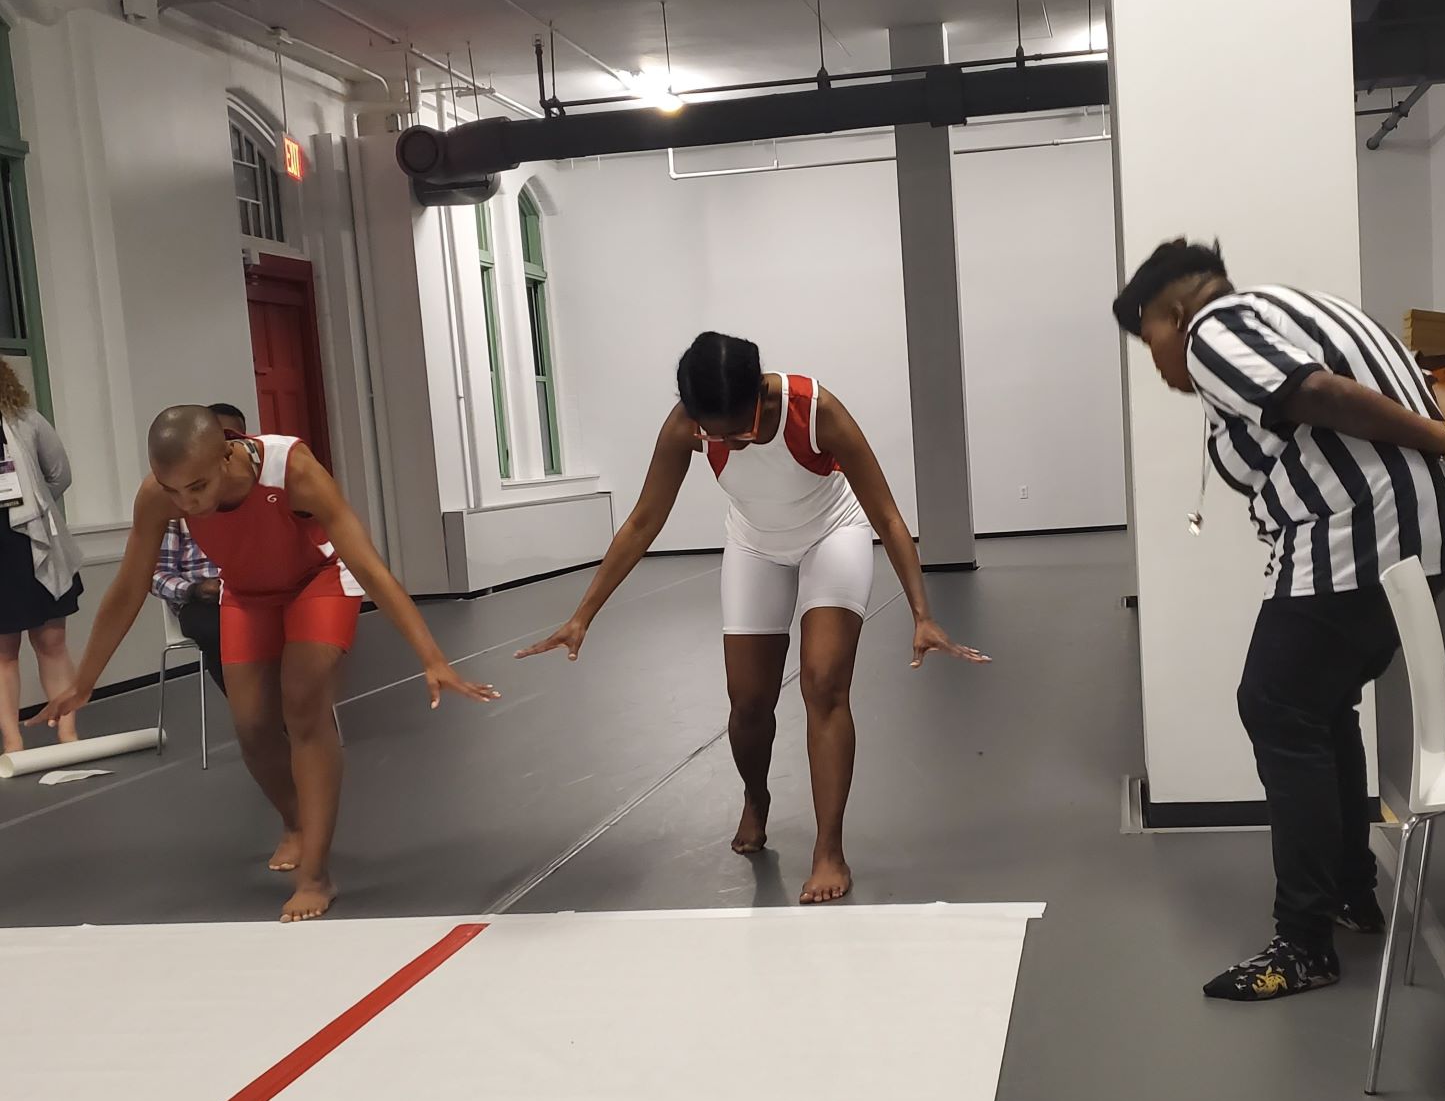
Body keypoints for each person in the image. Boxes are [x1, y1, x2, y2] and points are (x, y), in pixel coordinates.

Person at [1112, 239, 1445, 1001]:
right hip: (1417, 535)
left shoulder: (1214, 329)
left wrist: (1443, 441)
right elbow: (1421, 394)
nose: (1162, 366)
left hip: (1358, 537)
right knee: (1320, 706)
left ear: (1171, 312)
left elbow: (1314, 396)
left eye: (1149, 343)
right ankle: (1345, 891)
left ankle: (1301, 943)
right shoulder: (1309, 309)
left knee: (1274, 702)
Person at [518, 332, 988, 904]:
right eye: (714, 434)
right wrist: (582, 615)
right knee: (747, 702)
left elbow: (885, 514)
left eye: (736, 430)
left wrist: (922, 612)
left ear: (760, 397)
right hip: (754, 544)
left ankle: (828, 848)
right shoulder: (685, 428)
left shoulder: (815, 410)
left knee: (824, 684)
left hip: (830, 535)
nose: (727, 442)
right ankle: (756, 796)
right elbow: (644, 521)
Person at [32, 407, 498, 922]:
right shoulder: (157, 497)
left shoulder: (290, 468)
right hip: (247, 595)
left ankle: (316, 874)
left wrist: (431, 657)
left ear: (228, 452)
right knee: (252, 726)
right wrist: (86, 681)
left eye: (199, 487)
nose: (190, 504)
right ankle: (298, 823)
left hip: (317, 582)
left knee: (302, 708)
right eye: (175, 491)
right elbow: (128, 588)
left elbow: (367, 562)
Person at [0, 359, 84, 753]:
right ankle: (13, 741)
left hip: (33, 540)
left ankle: (67, 733)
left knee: (52, 644)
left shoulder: (28, 420)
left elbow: (59, 474)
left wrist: (34, 508)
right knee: (4, 654)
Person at [150, 402, 249, 693]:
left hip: (255, 592)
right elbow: (154, 575)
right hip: (202, 601)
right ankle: (253, 714)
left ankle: (297, 715)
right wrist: (193, 589)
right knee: (219, 628)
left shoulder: (255, 492)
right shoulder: (176, 500)